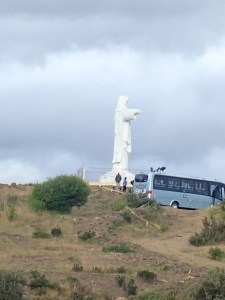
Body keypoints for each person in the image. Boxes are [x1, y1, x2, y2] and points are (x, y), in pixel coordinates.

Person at [112, 96, 142, 172]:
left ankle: (124, 168)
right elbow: (126, 114)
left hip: (124, 135)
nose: (126, 103)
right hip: (121, 136)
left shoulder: (121, 110)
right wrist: (136, 111)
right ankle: (120, 169)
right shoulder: (120, 110)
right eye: (126, 101)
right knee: (121, 151)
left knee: (124, 152)